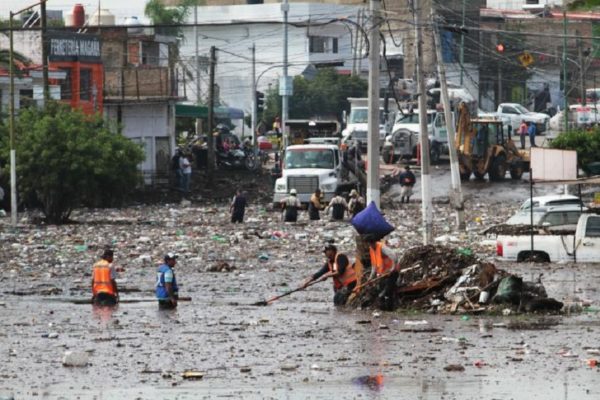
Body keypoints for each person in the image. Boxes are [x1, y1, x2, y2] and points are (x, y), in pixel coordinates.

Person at [367, 237, 400, 311]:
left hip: (392, 273)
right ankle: (385, 311)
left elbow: (394, 256)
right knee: (382, 291)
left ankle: (390, 310)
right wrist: (371, 278)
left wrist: (393, 268)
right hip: (383, 274)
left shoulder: (382, 248)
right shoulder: (372, 250)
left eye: (372, 243)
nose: (371, 245)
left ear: (375, 242)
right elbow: (374, 266)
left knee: (387, 292)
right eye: (370, 244)